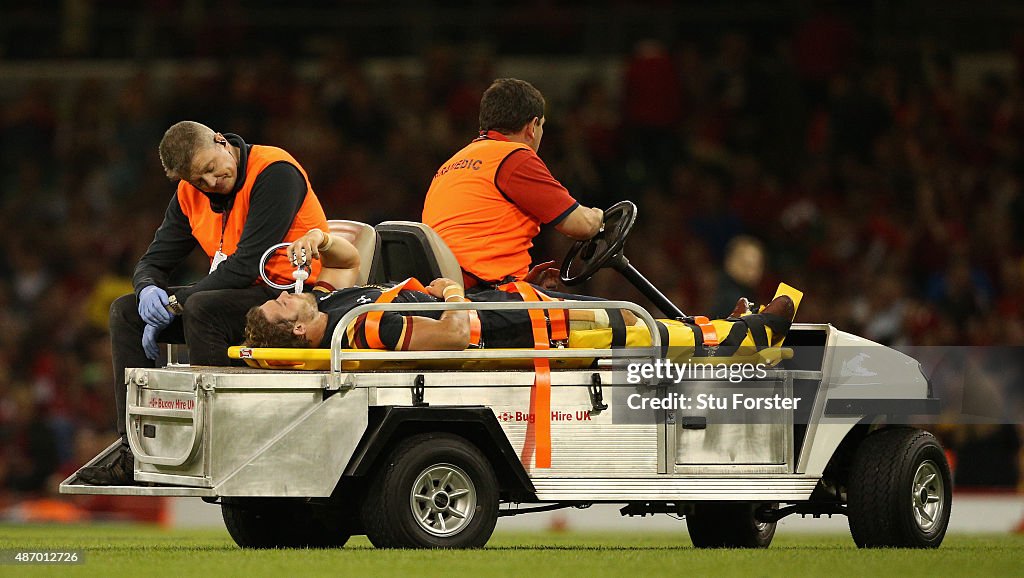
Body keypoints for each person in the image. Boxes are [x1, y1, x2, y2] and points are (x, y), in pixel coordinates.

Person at [79, 121, 329, 485]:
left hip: (285, 296)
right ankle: (132, 451)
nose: (211, 183)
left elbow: (246, 266)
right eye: (200, 180)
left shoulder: (275, 172)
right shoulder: (188, 193)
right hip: (237, 298)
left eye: (212, 169)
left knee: (201, 307)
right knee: (125, 311)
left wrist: (175, 302)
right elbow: (153, 261)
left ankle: (216, 442)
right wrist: (149, 289)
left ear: (221, 141)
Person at [244, 230, 631, 351]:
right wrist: (449, 291)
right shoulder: (363, 328)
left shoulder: (328, 303)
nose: (284, 293)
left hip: (508, 302)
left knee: (632, 318)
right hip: (516, 322)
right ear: (297, 329)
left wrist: (320, 239)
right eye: (281, 304)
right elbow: (455, 334)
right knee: (633, 321)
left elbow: (346, 262)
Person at [422, 78, 605, 292]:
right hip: (485, 294)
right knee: (625, 316)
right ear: (531, 128)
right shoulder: (514, 158)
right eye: (542, 126)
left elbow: (472, 236)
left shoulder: (452, 164)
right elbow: (581, 225)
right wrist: (598, 218)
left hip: (451, 286)